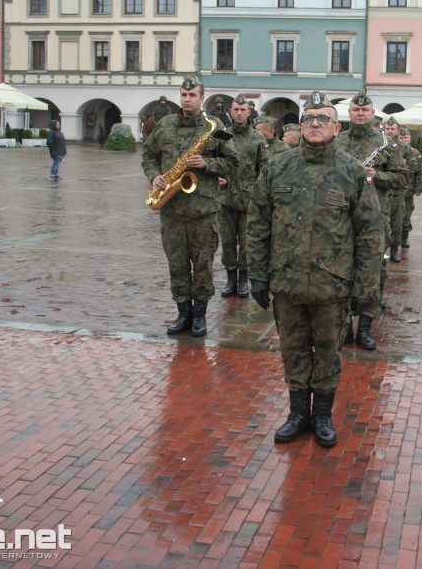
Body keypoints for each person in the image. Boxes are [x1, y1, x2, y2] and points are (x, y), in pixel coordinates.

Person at [246, 91, 383, 448]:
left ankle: (322, 415)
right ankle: (297, 414)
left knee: (327, 351)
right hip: (287, 282)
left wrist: (365, 288)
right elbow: (258, 224)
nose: (316, 124)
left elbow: (370, 233)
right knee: (292, 349)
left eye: (324, 119)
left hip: (332, 286)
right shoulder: (278, 167)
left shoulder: (351, 171)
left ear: (337, 128)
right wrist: (258, 274)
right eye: (310, 118)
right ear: (301, 125)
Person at [142, 75, 238, 338]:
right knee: (177, 266)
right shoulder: (165, 124)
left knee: (203, 265)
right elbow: (148, 155)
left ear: (201, 97)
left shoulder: (215, 126)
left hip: (204, 213)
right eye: (184, 95)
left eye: (192, 95)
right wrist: (154, 175)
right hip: (171, 211)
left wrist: (206, 164)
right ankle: (182, 313)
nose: (187, 99)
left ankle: (199, 317)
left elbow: (233, 162)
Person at [337, 89, 407, 349]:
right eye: (356, 109)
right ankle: (344, 327)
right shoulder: (337, 140)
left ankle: (365, 326)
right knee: (341, 269)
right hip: (340, 215)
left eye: (365, 110)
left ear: (373, 113)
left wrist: (376, 175)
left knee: (374, 271)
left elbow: (402, 178)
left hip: (375, 216)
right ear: (349, 112)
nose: (360, 113)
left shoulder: (388, 144)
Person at [218, 94, 268, 298]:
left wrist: (260, 196)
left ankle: (243, 281)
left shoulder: (258, 138)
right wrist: (217, 175)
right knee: (228, 242)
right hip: (225, 199)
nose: (239, 113)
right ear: (231, 112)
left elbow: (264, 169)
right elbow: (213, 161)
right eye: (236, 109)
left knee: (247, 243)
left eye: (243, 110)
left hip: (249, 201)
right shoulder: (222, 136)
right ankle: (230, 279)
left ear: (249, 112)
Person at [382, 116, 413, 263]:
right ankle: (382, 250)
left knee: (396, 222)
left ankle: (394, 250)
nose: (389, 131)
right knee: (382, 221)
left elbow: (408, 169)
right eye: (387, 129)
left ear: (398, 131)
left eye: (392, 129)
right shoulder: (379, 144)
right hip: (383, 190)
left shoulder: (405, 148)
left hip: (398, 192)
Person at [398, 127, 422, 249]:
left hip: (408, 192)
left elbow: (421, 172)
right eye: (401, 138)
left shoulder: (416, 154)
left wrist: (419, 188)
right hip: (394, 191)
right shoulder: (393, 152)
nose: (403, 140)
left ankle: (404, 239)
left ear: (410, 139)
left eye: (406, 138)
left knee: (406, 215)